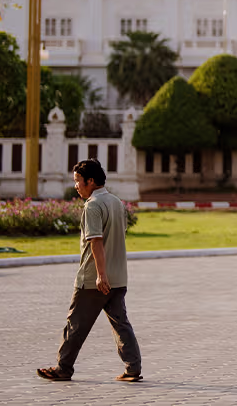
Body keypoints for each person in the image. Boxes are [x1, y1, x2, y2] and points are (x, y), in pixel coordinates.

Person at [37, 159, 142, 383]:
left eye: (78, 181)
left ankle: (63, 368)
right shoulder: (117, 202)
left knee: (75, 324)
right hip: (118, 277)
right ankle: (133, 368)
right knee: (121, 324)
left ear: (91, 181)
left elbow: (96, 241)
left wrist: (100, 275)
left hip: (94, 279)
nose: (76, 186)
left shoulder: (93, 205)